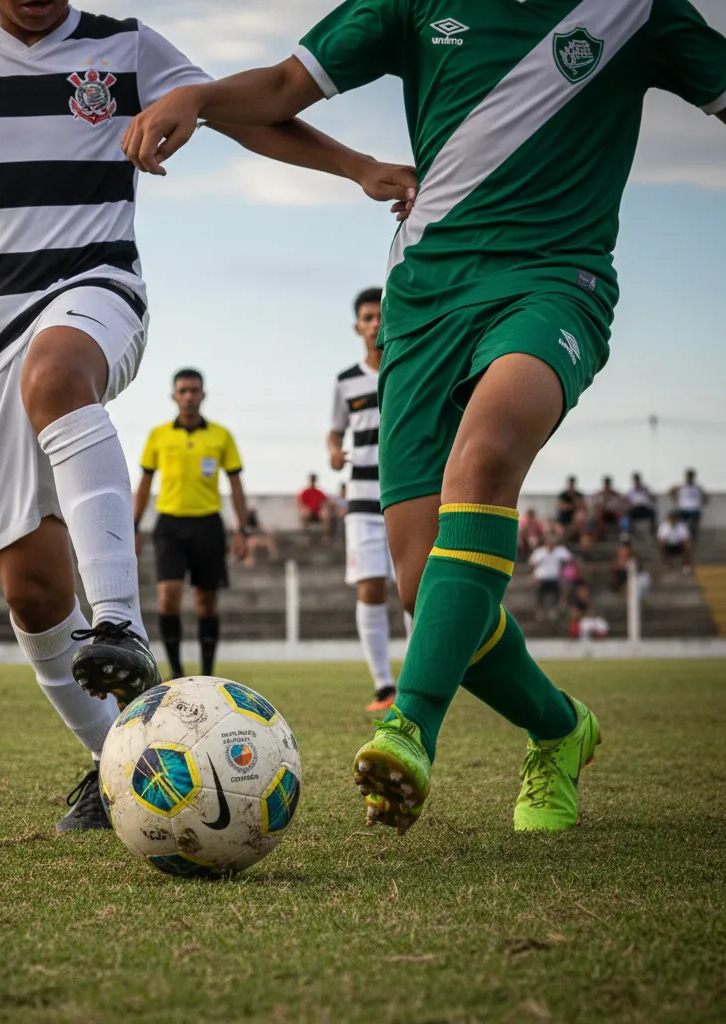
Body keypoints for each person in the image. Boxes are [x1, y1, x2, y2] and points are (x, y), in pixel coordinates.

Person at [0, 1, 417, 830]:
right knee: (33, 591)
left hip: (96, 290)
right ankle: (117, 767)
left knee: (57, 372)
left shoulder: (126, 45)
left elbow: (242, 116)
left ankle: (119, 622)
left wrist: (358, 166)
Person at [123, 0, 726, 834]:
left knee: (483, 459)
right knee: (421, 581)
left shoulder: (637, 10)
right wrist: (198, 97)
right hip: (425, 300)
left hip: (554, 283)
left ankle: (410, 727)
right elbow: (286, 84)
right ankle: (560, 730)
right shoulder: (414, 2)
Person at [134, 369, 249, 680]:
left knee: (206, 601)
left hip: (208, 525)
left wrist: (243, 528)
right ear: (174, 395)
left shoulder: (221, 435)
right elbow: (144, 483)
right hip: (169, 524)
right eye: (182, 390)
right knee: (169, 594)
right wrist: (133, 526)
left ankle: (208, 674)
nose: (188, 396)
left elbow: (236, 483)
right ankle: (176, 672)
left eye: (194, 390)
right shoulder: (158, 435)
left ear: (203, 395)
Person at [328, 287, 397, 712]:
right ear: (357, 326)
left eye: (380, 316)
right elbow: (335, 431)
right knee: (371, 588)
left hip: (406, 493)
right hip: (363, 500)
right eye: (367, 317)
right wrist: (334, 451)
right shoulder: (345, 380)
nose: (374, 323)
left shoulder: (407, 365)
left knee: (414, 589)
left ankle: (418, 683)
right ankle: (384, 686)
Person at [528, 535, 571, 622]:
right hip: (542, 578)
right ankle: (540, 610)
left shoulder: (560, 552)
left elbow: (569, 559)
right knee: (539, 590)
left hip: (554, 578)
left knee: (560, 589)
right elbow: (531, 563)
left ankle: (554, 610)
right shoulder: (539, 552)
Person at [671, 468, 708, 541]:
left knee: (695, 523)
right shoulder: (681, 486)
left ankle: (693, 535)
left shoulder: (698, 487)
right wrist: (676, 498)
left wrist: (702, 502)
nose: (690, 479)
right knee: (680, 522)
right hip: (683, 508)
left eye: (691, 477)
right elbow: (671, 491)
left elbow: (705, 496)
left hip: (695, 508)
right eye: (689, 477)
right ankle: (681, 536)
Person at [297, 473, 332, 543]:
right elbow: (300, 503)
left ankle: (325, 537)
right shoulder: (304, 492)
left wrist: (324, 509)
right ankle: (307, 536)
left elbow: (326, 501)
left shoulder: (319, 492)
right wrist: (305, 509)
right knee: (305, 515)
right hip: (309, 513)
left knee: (325, 515)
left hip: (318, 513)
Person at [592, 476, 623, 541]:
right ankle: (599, 534)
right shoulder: (599, 495)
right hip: (603, 513)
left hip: (612, 513)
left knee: (619, 515)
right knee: (599, 515)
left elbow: (617, 506)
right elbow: (597, 505)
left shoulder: (615, 495)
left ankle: (620, 533)